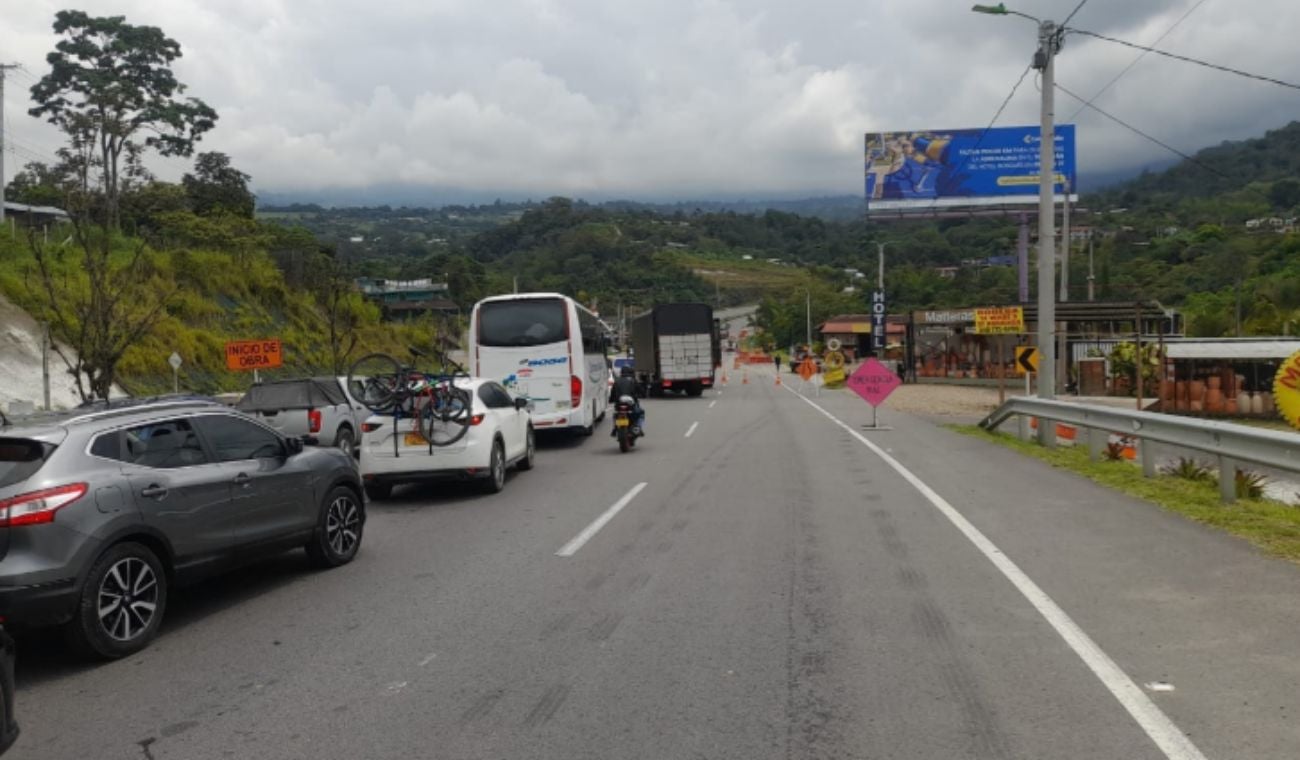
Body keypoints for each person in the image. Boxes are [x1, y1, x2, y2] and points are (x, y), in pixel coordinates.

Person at [609, 366, 645, 435]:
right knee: (641, 413)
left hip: (619, 404)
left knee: (616, 415)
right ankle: (638, 427)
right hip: (631, 405)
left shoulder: (617, 381)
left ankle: (615, 428)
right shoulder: (633, 380)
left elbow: (612, 393)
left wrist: (610, 400)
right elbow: (640, 390)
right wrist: (643, 395)